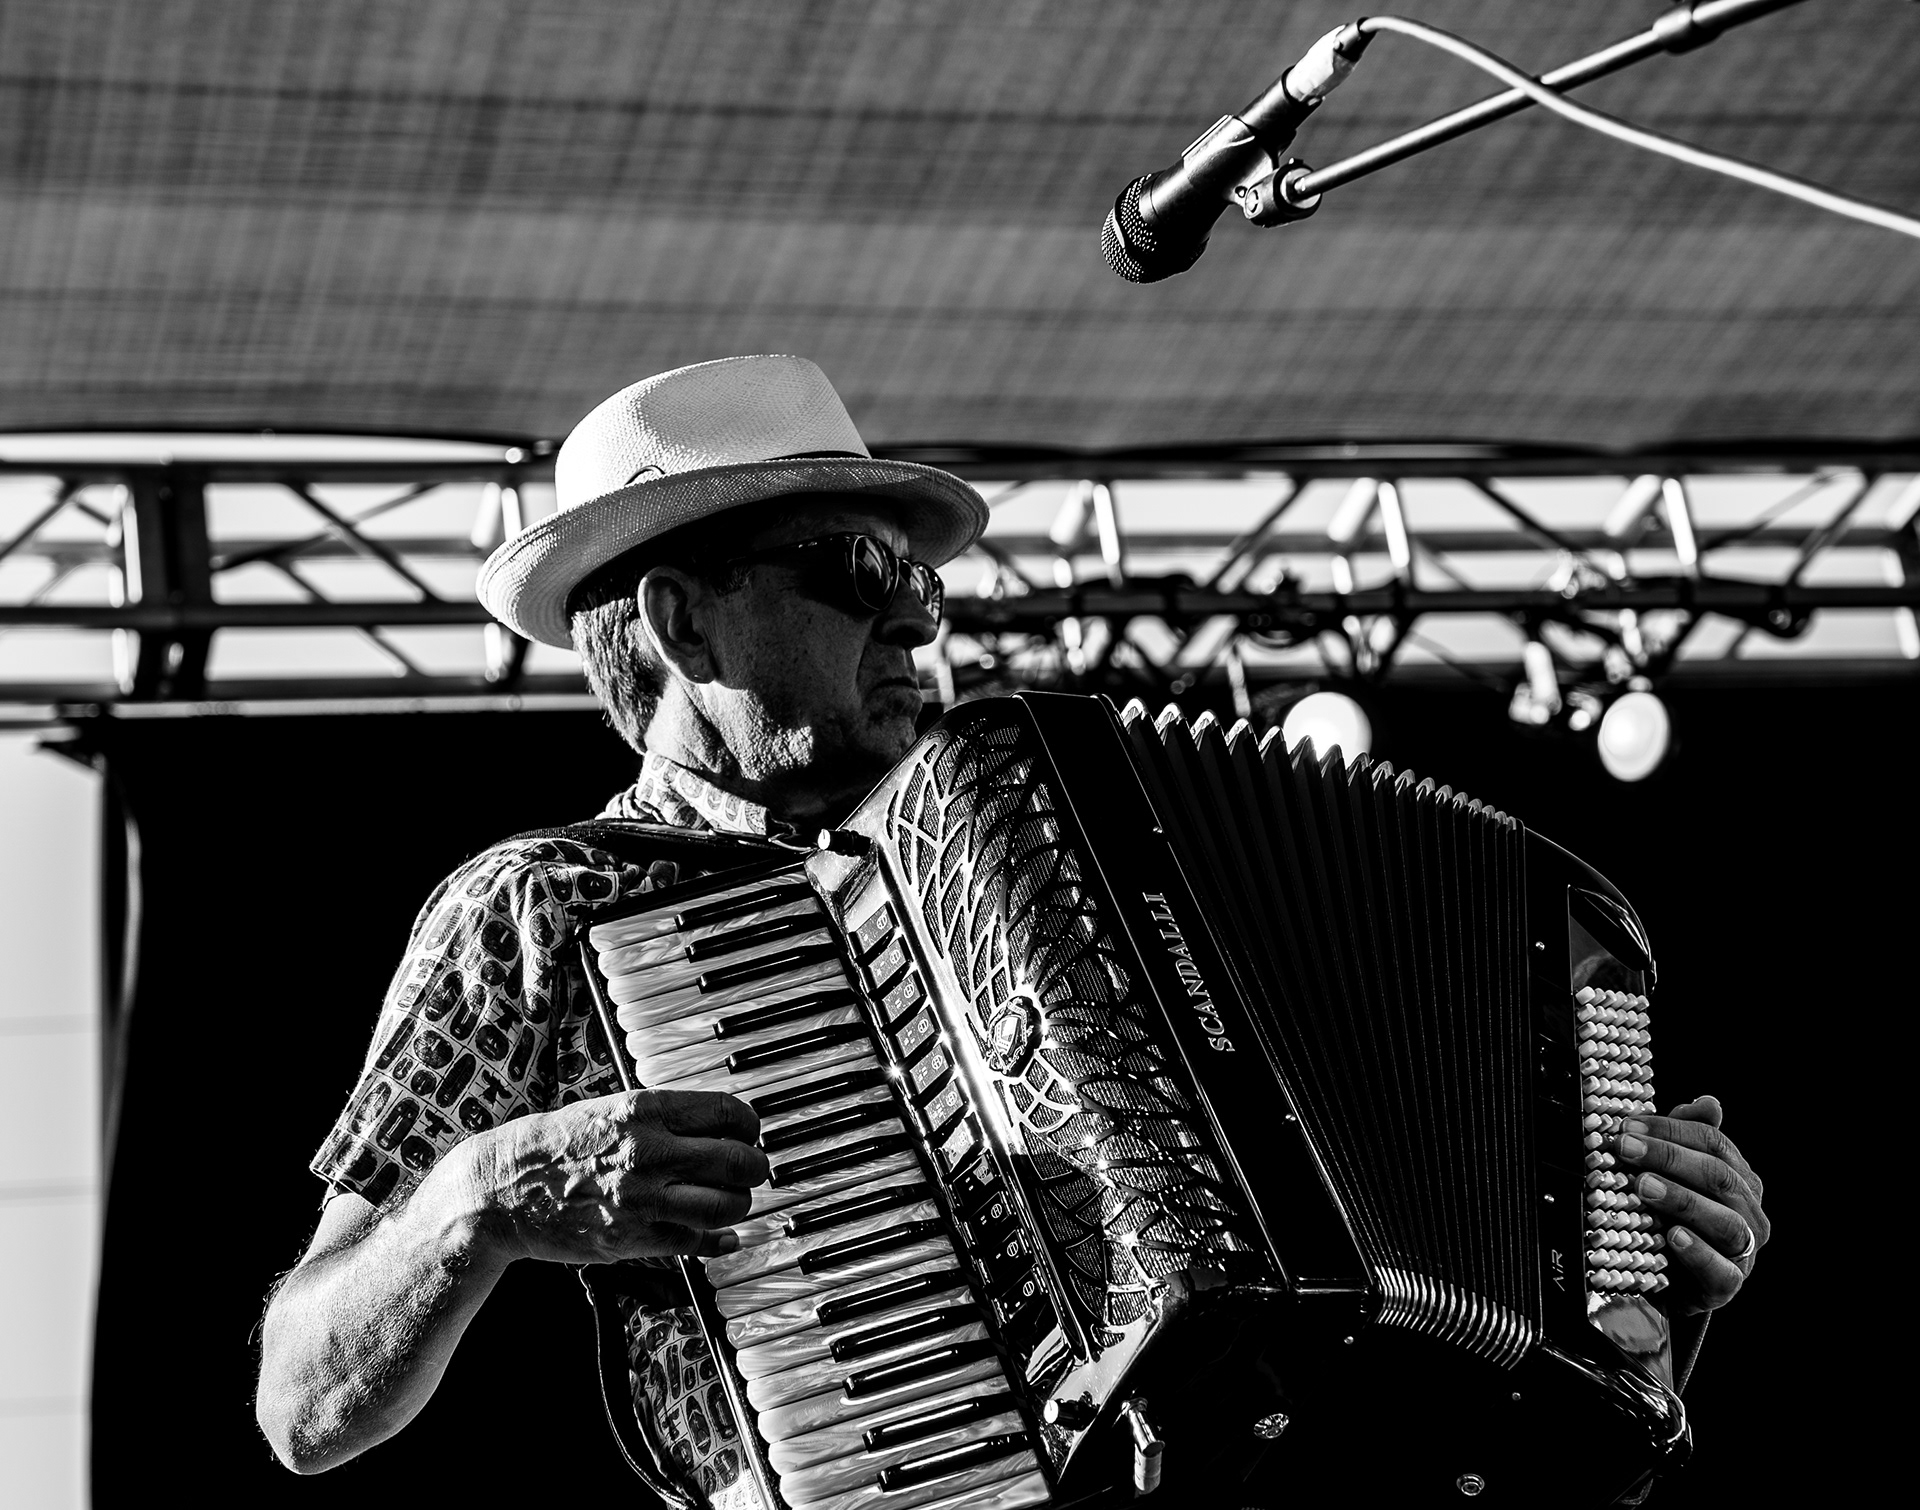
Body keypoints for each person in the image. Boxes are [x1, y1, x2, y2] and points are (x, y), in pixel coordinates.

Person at [254, 355, 1771, 1502]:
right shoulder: (547, 904)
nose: (920, 621)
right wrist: (484, 1194)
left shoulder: (1073, 849)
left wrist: (1639, 1302)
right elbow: (302, 1403)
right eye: (857, 575)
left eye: (923, 580)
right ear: (682, 623)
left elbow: (1515, 1432)